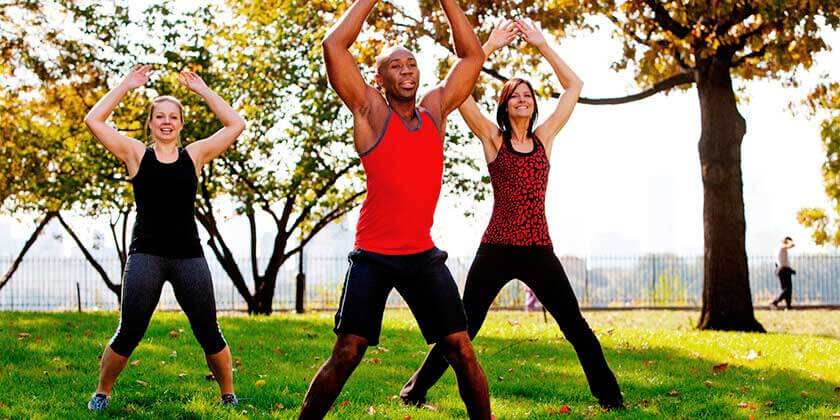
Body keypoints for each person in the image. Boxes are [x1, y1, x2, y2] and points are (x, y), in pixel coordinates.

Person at [398, 19, 624, 409]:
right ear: (504, 104)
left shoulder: (545, 138)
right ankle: (413, 393)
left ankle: (611, 400)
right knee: (462, 330)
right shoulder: (492, 138)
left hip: (539, 249)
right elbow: (458, 90)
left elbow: (574, 87)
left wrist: (542, 44)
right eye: (515, 95)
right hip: (497, 249)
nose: (523, 99)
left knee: (576, 327)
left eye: (528, 95)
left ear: (534, 104)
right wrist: (488, 46)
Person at [299, 0, 492, 418]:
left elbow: (472, 56)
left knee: (460, 348)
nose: (406, 71)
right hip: (374, 255)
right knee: (348, 350)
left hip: (422, 255)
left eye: (412, 65)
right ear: (379, 77)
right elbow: (334, 46)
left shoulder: (436, 112)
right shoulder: (370, 111)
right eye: (396, 66)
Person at [83, 65, 246, 410]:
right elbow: (94, 121)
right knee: (129, 330)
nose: (167, 122)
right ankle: (101, 394)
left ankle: (228, 395)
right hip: (147, 255)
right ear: (152, 123)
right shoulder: (136, 154)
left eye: (173, 117)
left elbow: (236, 124)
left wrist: (204, 91)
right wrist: (126, 85)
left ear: (181, 124)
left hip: (189, 255)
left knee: (208, 330)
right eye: (160, 116)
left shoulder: (195, 155)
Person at [770, 236, 796, 310]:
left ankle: (788, 306)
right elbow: (792, 245)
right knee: (787, 289)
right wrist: (789, 241)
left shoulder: (778, 249)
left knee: (787, 289)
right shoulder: (782, 247)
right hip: (784, 270)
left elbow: (781, 261)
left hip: (782, 269)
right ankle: (774, 302)